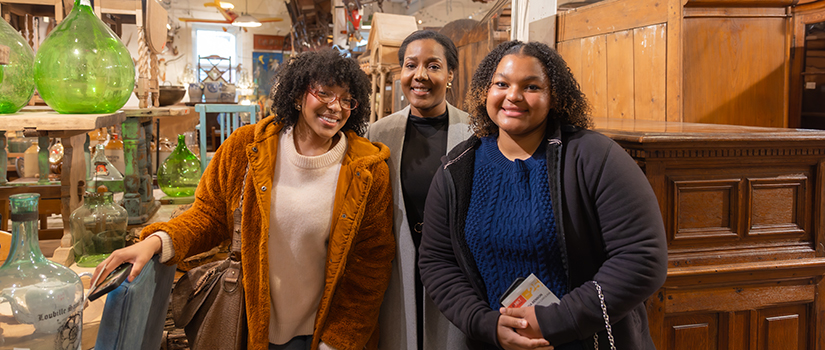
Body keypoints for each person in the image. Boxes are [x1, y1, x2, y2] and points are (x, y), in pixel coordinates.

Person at [93, 49, 395, 350]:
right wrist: (156, 241)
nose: (335, 107)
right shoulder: (246, 148)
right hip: (249, 326)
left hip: (321, 335)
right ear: (297, 95)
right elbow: (209, 216)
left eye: (346, 99)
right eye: (325, 93)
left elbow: (370, 266)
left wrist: (337, 342)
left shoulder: (367, 171)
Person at [418, 40, 668, 350]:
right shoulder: (458, 168)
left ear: (554, 97)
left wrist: (555, 321)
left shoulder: (595, 157)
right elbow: (436, 262)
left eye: (532, 86)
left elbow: (643, 258)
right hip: (495, 342)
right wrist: (486, 323)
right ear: (486, 91)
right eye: (501, 84)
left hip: (587, 341)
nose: (513, 96)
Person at [365, 30, 473, 350]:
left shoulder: (475, 133)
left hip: (456, 270)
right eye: (411, 65)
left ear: (450, 74)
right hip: (398, 265)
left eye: (433, 66)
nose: (420, 76)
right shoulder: (379, 133)